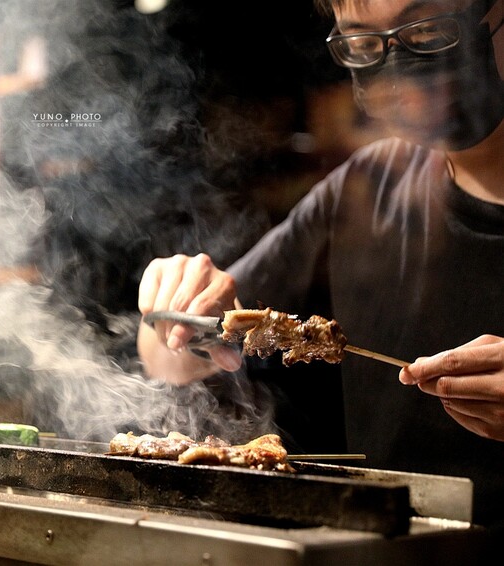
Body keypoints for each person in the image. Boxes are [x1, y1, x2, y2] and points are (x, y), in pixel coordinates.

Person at [137, 0, 504, 526]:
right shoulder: (369, 189)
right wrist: (177, 311)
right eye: (363, 45)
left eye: (426, 32)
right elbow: (164, 356)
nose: (398, 73)